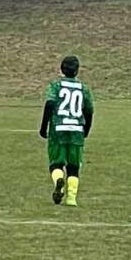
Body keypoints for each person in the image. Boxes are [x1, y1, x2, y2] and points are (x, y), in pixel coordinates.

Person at [39, 55, 94, 207]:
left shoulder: (55, 86)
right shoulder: (84, 89)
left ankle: (58, 181)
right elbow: (89, 111)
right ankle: (71, 199)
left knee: (56, 164)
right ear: (77, 71)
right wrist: (86, 129)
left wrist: (44, 127)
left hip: (58, 129)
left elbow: (50, 104)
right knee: (73, 167)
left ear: (61, 69)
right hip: (77, 131)